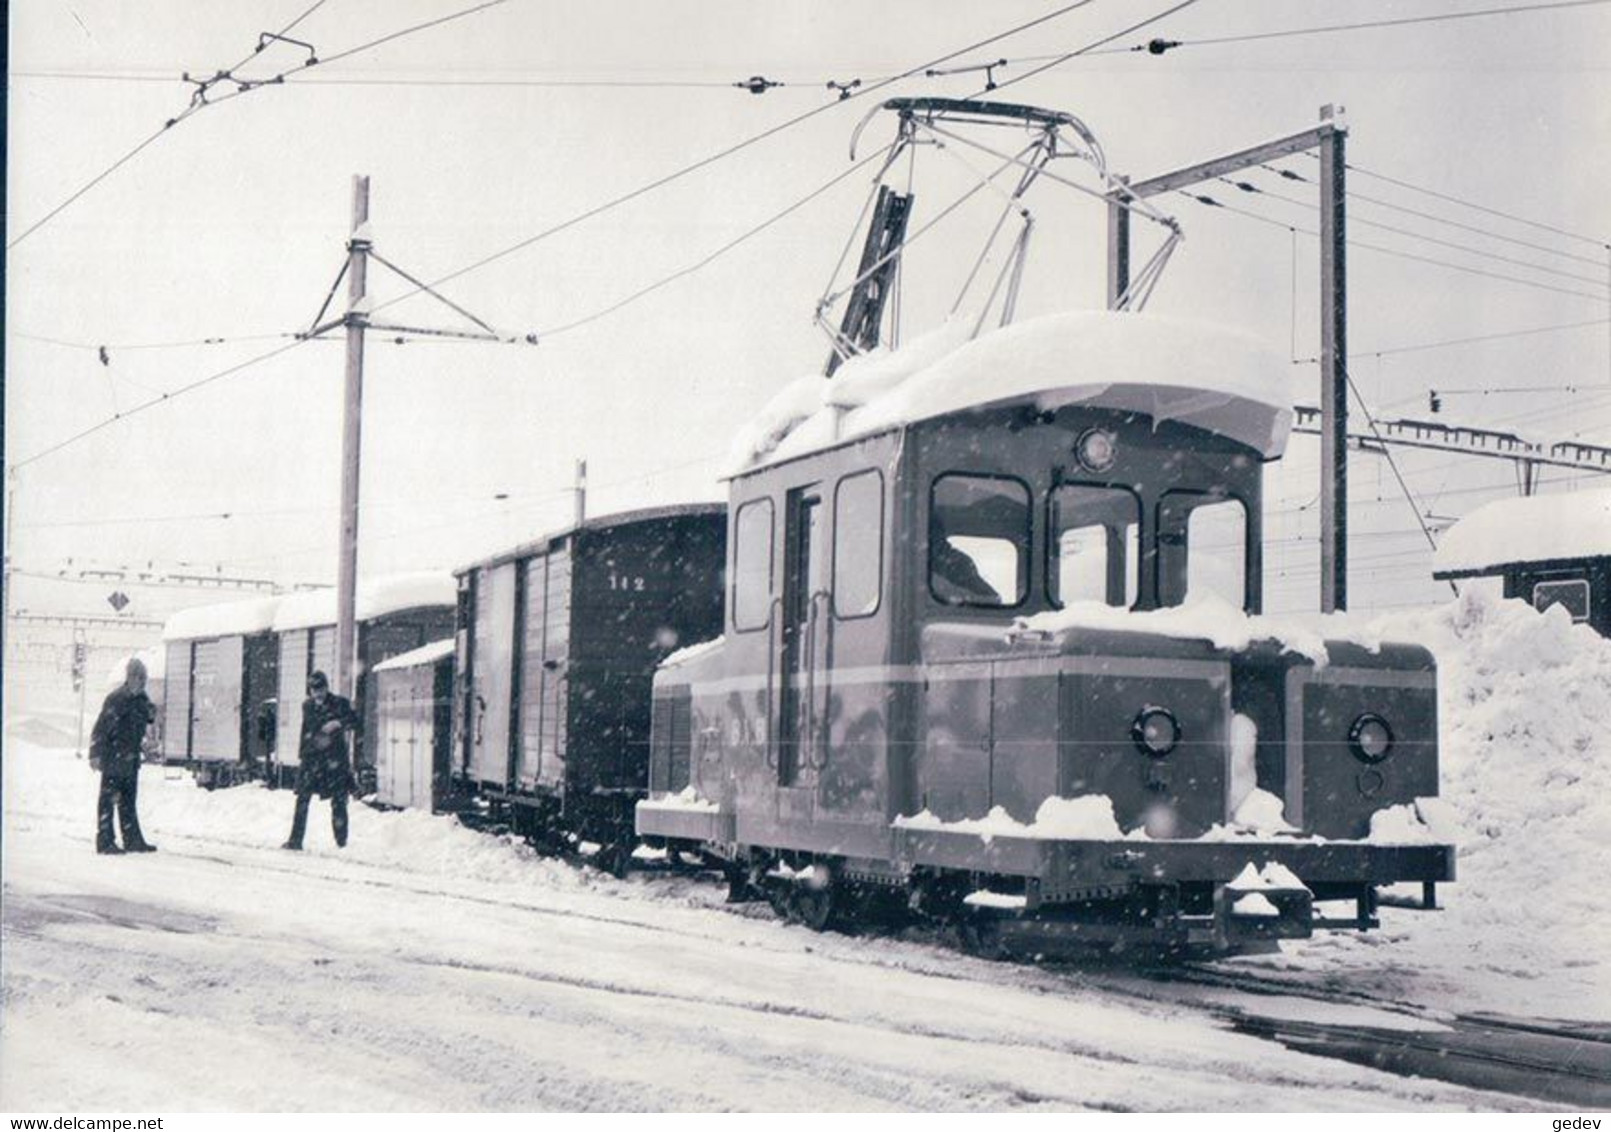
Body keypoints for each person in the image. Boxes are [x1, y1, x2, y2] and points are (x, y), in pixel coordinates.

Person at [282, 670, 359, 851]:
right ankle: (295, 840)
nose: (317, 693)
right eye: (314, 689)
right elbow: (306, 730)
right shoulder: (307, 706)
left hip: (334, 760)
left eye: (320, 688)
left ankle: (342, 842)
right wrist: (303, 754)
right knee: (302, 799)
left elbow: (355, 721)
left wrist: (338, 723)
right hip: (312, 759)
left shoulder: (340, 703)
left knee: (339, 801)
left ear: (326, 687)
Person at [92, 657, 157, 855]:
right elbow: (101, 728)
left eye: (144, 679)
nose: (141, 682)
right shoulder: (116, 698)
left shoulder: (141, 699)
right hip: (113, 757)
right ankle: (105, 842)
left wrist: (151, 711)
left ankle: (132, 840)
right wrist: (95, 754)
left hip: (131, 759)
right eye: (138, 678)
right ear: (129, 677)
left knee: (128, 801)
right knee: (108, 801)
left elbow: (149, 718)